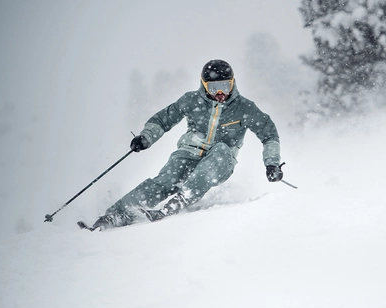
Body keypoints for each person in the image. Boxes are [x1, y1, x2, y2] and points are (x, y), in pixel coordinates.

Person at [91, 59, 284, 230]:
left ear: (233, 84)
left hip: (221, 160)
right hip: (189, 153)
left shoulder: (244, 107)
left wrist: (272, 163)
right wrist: (146, 137)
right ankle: (117, 214)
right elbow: (163, 119)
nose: (220, 93)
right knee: (166, 180)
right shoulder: (191, 100)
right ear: (204, 85)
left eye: (225, 86)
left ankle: (178, 201)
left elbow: (269, 134)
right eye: (213, 88)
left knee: (220, 151)